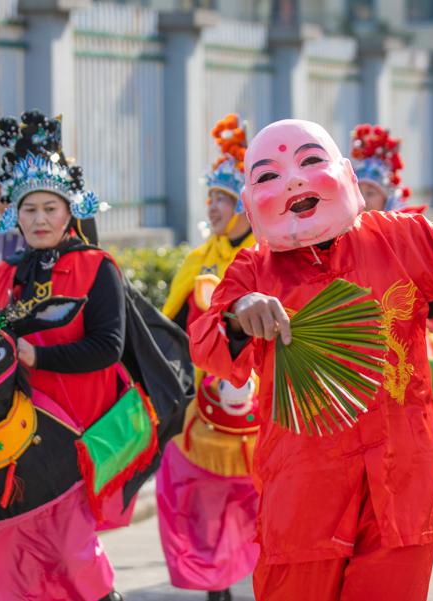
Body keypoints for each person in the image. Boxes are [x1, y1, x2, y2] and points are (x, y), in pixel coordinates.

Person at [189, 118, 433, 601]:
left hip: (400, 476)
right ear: (252, 200)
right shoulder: (253, 268)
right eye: (270, 175)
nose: (293, 180)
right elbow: (207, 343)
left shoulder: (402, 240)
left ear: (346, 174)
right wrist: (237, 314)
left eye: (311, 161)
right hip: (301, 485)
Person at [0, 109, 125, 600]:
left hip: (75, 435)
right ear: (14, 216)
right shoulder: (5, 275)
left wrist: (37, 358)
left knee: (73, 554)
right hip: (12, 436)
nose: (39, 219)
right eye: (29, 209)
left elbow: (108, 347)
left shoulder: (96, 267)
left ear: (69, 211)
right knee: (25, 558)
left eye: (50, 208)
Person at [156, 114, 258, 601]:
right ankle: (216, 584)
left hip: (269, 403)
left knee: (268, 501)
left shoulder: (276, 253)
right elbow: (169, 327)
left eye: (223, 199)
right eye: (211, 198)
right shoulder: (199, 260)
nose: (213, 208)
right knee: (197, 493)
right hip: (207, 404)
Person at [349, 123, 433, 418]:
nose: (362, 198)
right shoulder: (336, 237)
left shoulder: (408, 238)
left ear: (388, 198)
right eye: (357, 190)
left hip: (403, 353)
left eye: (371, 191)